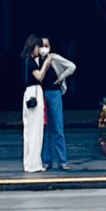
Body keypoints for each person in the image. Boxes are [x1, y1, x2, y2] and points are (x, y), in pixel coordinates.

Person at [38, 40, 76, 170]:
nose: (44, 48)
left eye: (46, 45)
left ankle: (62, 160)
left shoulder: (53, 57)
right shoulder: (36, 60)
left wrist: (61, 78)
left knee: (58, 128)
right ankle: (46, 161)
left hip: (54, 93)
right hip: (41, 94)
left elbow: (72, 66)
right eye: (42, 45)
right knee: (45, 130)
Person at [19, 35, 47, 174]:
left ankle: (29, 163)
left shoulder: (25, 60)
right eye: (38, 47)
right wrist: (46, 64)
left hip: (27, 93)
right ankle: (35, 163)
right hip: (35, 92)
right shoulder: (31, 62)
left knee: (29, 130)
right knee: (36, 129)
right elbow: (39, 76)